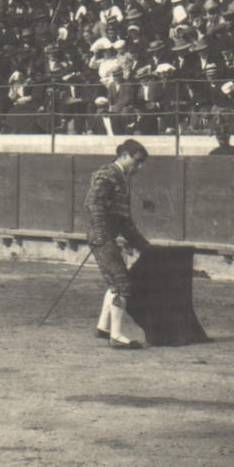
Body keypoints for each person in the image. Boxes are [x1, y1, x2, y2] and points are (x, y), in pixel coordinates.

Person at [84, 138, 152, 350]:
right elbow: (93, 205)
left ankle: (104, 328)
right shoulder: (108, 174)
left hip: (105, 235)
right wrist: (103, 234)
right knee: (122, 283)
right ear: (124, 155)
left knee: (116, 282)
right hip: (103, 236)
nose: (139, 167)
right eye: (136, 161)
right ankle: (116, 335)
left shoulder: (121, 177)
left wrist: (143, 245)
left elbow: (124, 220)